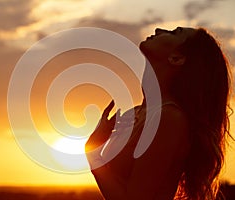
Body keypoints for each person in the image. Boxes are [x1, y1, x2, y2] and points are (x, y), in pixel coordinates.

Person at [85, 27, 233, 199]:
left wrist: (94, 155)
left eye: (174, 33)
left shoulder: (169, 118)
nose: (159, 29)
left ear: (176, 58)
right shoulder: (140, 113)